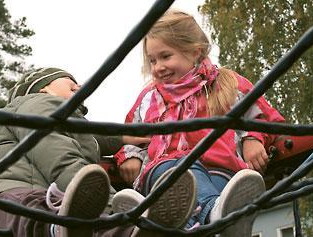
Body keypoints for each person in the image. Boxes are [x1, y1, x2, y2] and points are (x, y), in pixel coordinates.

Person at [113, 9, 285, 237]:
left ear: (195, 51)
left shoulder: (227, 84)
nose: (157, 67)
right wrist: (130, 155)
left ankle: (169, 223)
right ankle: (217, 217)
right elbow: (130, 134)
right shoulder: (150, 98)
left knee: (213, 186)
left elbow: (264, 118)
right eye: (152, 60)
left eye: (166, 56)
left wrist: (253, 137)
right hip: (164, 173)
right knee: (176, 170)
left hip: (220, 170)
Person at [0, 67, 151, 237]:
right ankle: (60, 229)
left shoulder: (59, 120)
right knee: (32, 213)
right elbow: (59, 158)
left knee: (88, 222)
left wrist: (122, 138)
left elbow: (90, 138)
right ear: (42, 88)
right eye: (70, 83)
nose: (79, 86)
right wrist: (111, 203)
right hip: (8, 191)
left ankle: (131, 231)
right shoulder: (35, 104)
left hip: (53, 198)